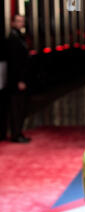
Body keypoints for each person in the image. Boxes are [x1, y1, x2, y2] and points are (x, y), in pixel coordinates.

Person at [5, 14, 31, 143]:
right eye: (18, 21)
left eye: (22, 21)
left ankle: (18, 132)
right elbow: (15, 63)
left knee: (20, 107)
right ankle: (16, 134)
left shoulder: (19, 37)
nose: (21, 23)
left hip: (20, 78)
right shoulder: (13, 39)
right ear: (13, 23)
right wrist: (19, 80)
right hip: (16, 80)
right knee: (16, 108)